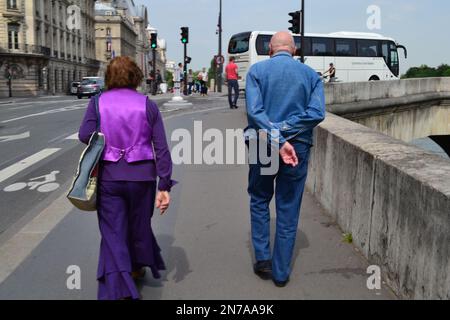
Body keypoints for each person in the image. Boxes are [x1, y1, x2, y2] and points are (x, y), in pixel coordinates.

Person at [78, 56, 176, 300]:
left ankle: (120, 289)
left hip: (109, 177)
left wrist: (106, 140)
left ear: (109, 78)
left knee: (113, 233)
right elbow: (161, 147)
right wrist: (164, 184)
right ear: (135, 77)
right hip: (142, 178)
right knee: (138, 226)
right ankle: (135, 267)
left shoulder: (97, 102)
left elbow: (84, 134)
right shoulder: (147, 104)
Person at [245, 31, 325, 287]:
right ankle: (280, 273)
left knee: (259, 198)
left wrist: (275, 135)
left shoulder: (256, 72)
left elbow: (254, 111)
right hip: (298, 146)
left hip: (261, 144)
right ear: (294, 50)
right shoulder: (312, 76)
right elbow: (316, 113)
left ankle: (262, 259)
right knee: (288, 206)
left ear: (270, 49)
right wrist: (287, 132)